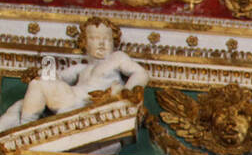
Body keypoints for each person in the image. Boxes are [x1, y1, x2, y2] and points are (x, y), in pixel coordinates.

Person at [0, 17, 148, 131]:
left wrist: (125, 95)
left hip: (84, 104)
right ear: (85, 43)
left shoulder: (117, 58)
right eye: (95, 39)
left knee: (38, 85)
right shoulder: (81, 69)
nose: (102, 43)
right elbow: (57, 77)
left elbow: (140, 73)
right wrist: (40, 72)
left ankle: (26, 129)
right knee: (20, 105)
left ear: (114, 42)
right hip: (71, 99)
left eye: (106, 39)